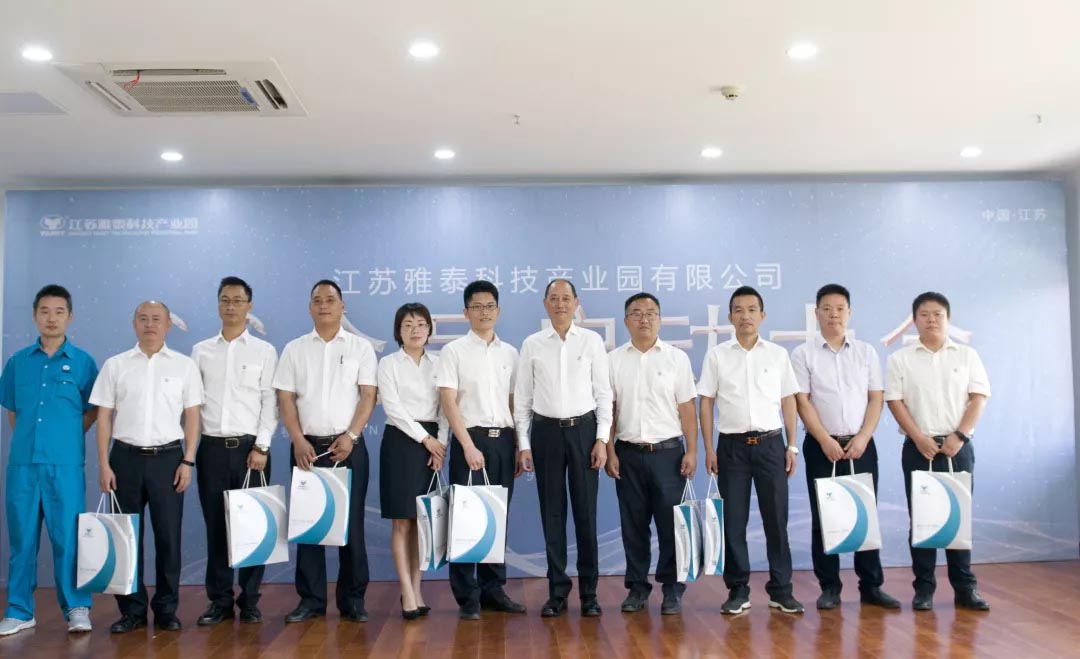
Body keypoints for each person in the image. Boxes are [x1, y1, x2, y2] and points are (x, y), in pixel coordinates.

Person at [90, 300, 204, 633]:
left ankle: (166, 609)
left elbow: (192, 416)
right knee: (125, 538)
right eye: (143, 318)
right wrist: (103, 464)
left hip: (169, 460)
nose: (150, 324)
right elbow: (103, 418)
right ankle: (132, 610)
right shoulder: (115, 365)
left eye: (156, 319)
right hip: (123, 460)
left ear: (168, 324)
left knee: (169, 538)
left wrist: (188, 460)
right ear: (134, 324)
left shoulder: (184, 366)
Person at [273, 279, 377, 623]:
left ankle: (353, 600)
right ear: (309, 308)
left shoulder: (360, 348)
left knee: (352, 527)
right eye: (317, 300)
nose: (323, 305)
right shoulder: (295, 349)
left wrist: (351, 435)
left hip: (348, 447)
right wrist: (297, 439)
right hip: (307, 449)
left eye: (330, 300)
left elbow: (368, 395)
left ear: (342, 306)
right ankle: (311, 600)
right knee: (310, 527)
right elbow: (285, 398)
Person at [791, 284, 900, 610]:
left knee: (864, 513)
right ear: (816, 313)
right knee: (824, 516)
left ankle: (871, 586)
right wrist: (824, 439)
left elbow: (876, 397)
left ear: (849, 313)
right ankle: (830, 587)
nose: (833, 314)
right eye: (826, 308)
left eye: (840, 308)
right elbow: (802, 401)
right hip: (821, 445)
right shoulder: (803, 354)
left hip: (860, 444)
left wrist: (864, 436)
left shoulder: (866, 352)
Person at [698, 285, 803, 615]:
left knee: (776, 520)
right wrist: (708, 448)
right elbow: (706, 403)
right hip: (732, 448)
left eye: (752, 309)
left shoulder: (777, 355)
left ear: (763, 315)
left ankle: (781, 589)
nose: (745, 316)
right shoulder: (717, 356)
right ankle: (738, 590)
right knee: (734, 522)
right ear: (730, 317)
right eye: (739, 310)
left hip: (771, 445)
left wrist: (792, 445)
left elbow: (788, 400)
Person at [0, 285, 98, 636]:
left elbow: (92, 411)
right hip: (23, 466)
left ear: (70, 317)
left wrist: (65, 438)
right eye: (44, 311)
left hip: (65, 467)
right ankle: (19, 610)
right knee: (22, 541)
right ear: (34, 316)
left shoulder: (84, 363)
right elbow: (14, 412)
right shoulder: (17, 363)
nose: (51, 318)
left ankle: (77, 607)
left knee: (68, 539)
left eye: (59, 311)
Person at [885, 291, 991, 612]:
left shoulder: (966, 355)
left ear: (948, 319)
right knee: (923, 520)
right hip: (919, 448)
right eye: (924, 315)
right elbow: (895, 401)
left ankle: (965, 588)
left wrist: (960, 435)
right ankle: (924, 589)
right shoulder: (900, 359)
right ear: (914, 320)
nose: (931, 320)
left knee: (958, 518)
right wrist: (918, 437)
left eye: (937, 314)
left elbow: (978, 397)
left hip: (957, 447)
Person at [513, 279, 612, 618]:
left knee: (586, 514)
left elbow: (603, 393)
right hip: (546, 433)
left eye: (566, 298)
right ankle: (557, 592)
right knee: (552, 514)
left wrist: (601, 439)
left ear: (576, 303)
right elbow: (523, 398)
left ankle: (589, 593)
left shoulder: (591, 341)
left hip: (584, 431)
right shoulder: (532, 344)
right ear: (545, 304)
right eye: (553, 299)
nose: (560, 304)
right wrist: (523, 443)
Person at [191, 276, 278, 626]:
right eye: (225, 300)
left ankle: (251, 600)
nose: (231, 306)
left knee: (253, 526)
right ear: (218, 304)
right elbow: (192, 405)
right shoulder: (201, 351)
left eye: (238, 300)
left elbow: (270, 402)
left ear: (249, 306)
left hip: (250, 450)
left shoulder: (264, 351)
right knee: (216, 528)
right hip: (211, 449)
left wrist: (262, 446)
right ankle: (220, 601)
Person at [437, 280, 526, 620]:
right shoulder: (454, 351)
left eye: (490, 306)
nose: (484, 312)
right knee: (466, 517)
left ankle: (493, 589)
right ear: (466, 312)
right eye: (477, 306)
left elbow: (515, 402)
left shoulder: (510, 353)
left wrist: (517, 445)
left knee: (496, 516)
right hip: (469, 440)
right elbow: (449, 402)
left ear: (498, 310)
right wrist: (467, 445)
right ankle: (467, 595)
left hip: (503, 439)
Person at [605, 292, 698, 616]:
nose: (644, 319)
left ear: (659, 319)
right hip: (627, 454)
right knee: (633, 526)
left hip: (668, 454)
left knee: (672, 525)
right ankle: (637, 588)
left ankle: (672, 589)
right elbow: (609, 411)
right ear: (626, 320)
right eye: (637, 313)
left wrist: (692, 451)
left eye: (651, 313)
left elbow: (687, 410)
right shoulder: (613, 360)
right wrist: (609, 450)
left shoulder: (676, 359)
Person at [377, 302, 448, 620]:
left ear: (429, 330)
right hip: (401, 442)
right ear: (398, 331)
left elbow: (446, 407)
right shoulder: (388, 364)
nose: (415, 330)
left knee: (422, 519)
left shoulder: (440, 363)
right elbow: (393, 408)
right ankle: (406, 591)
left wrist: (440, 445)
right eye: (407, 325)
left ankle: (418, 589)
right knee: (402, 521)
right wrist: (425, 440)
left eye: (421, 324)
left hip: (433, 444)